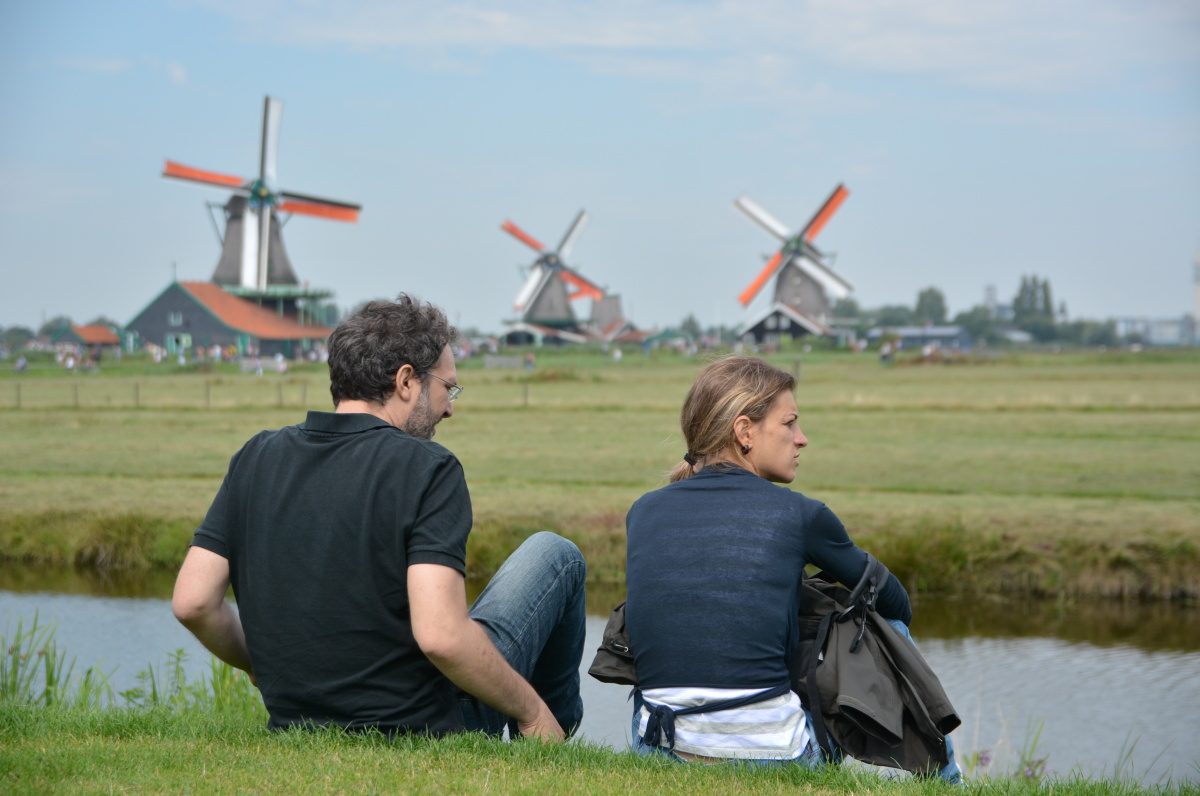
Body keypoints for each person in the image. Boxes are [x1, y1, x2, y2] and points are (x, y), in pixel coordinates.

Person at [173, 294, 586, 740]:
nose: (450, 408)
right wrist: (530, 712)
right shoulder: (428, 466)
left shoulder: (256, 456)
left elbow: (193, 601)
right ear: (406, 381)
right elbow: (442, 635)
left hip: (297, 720)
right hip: (422, 725)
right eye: (448, 388)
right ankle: (553, 731)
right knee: (555, 554)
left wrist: (261, 663)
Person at [624, 355, 960, 778]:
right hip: (776, 759)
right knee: (889, 628)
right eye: (789, 423)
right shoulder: (799, 515)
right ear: (745, 431)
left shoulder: (643, 511)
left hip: (657, 752)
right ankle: (949, 781)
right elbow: (895, 606)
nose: (802, 439)